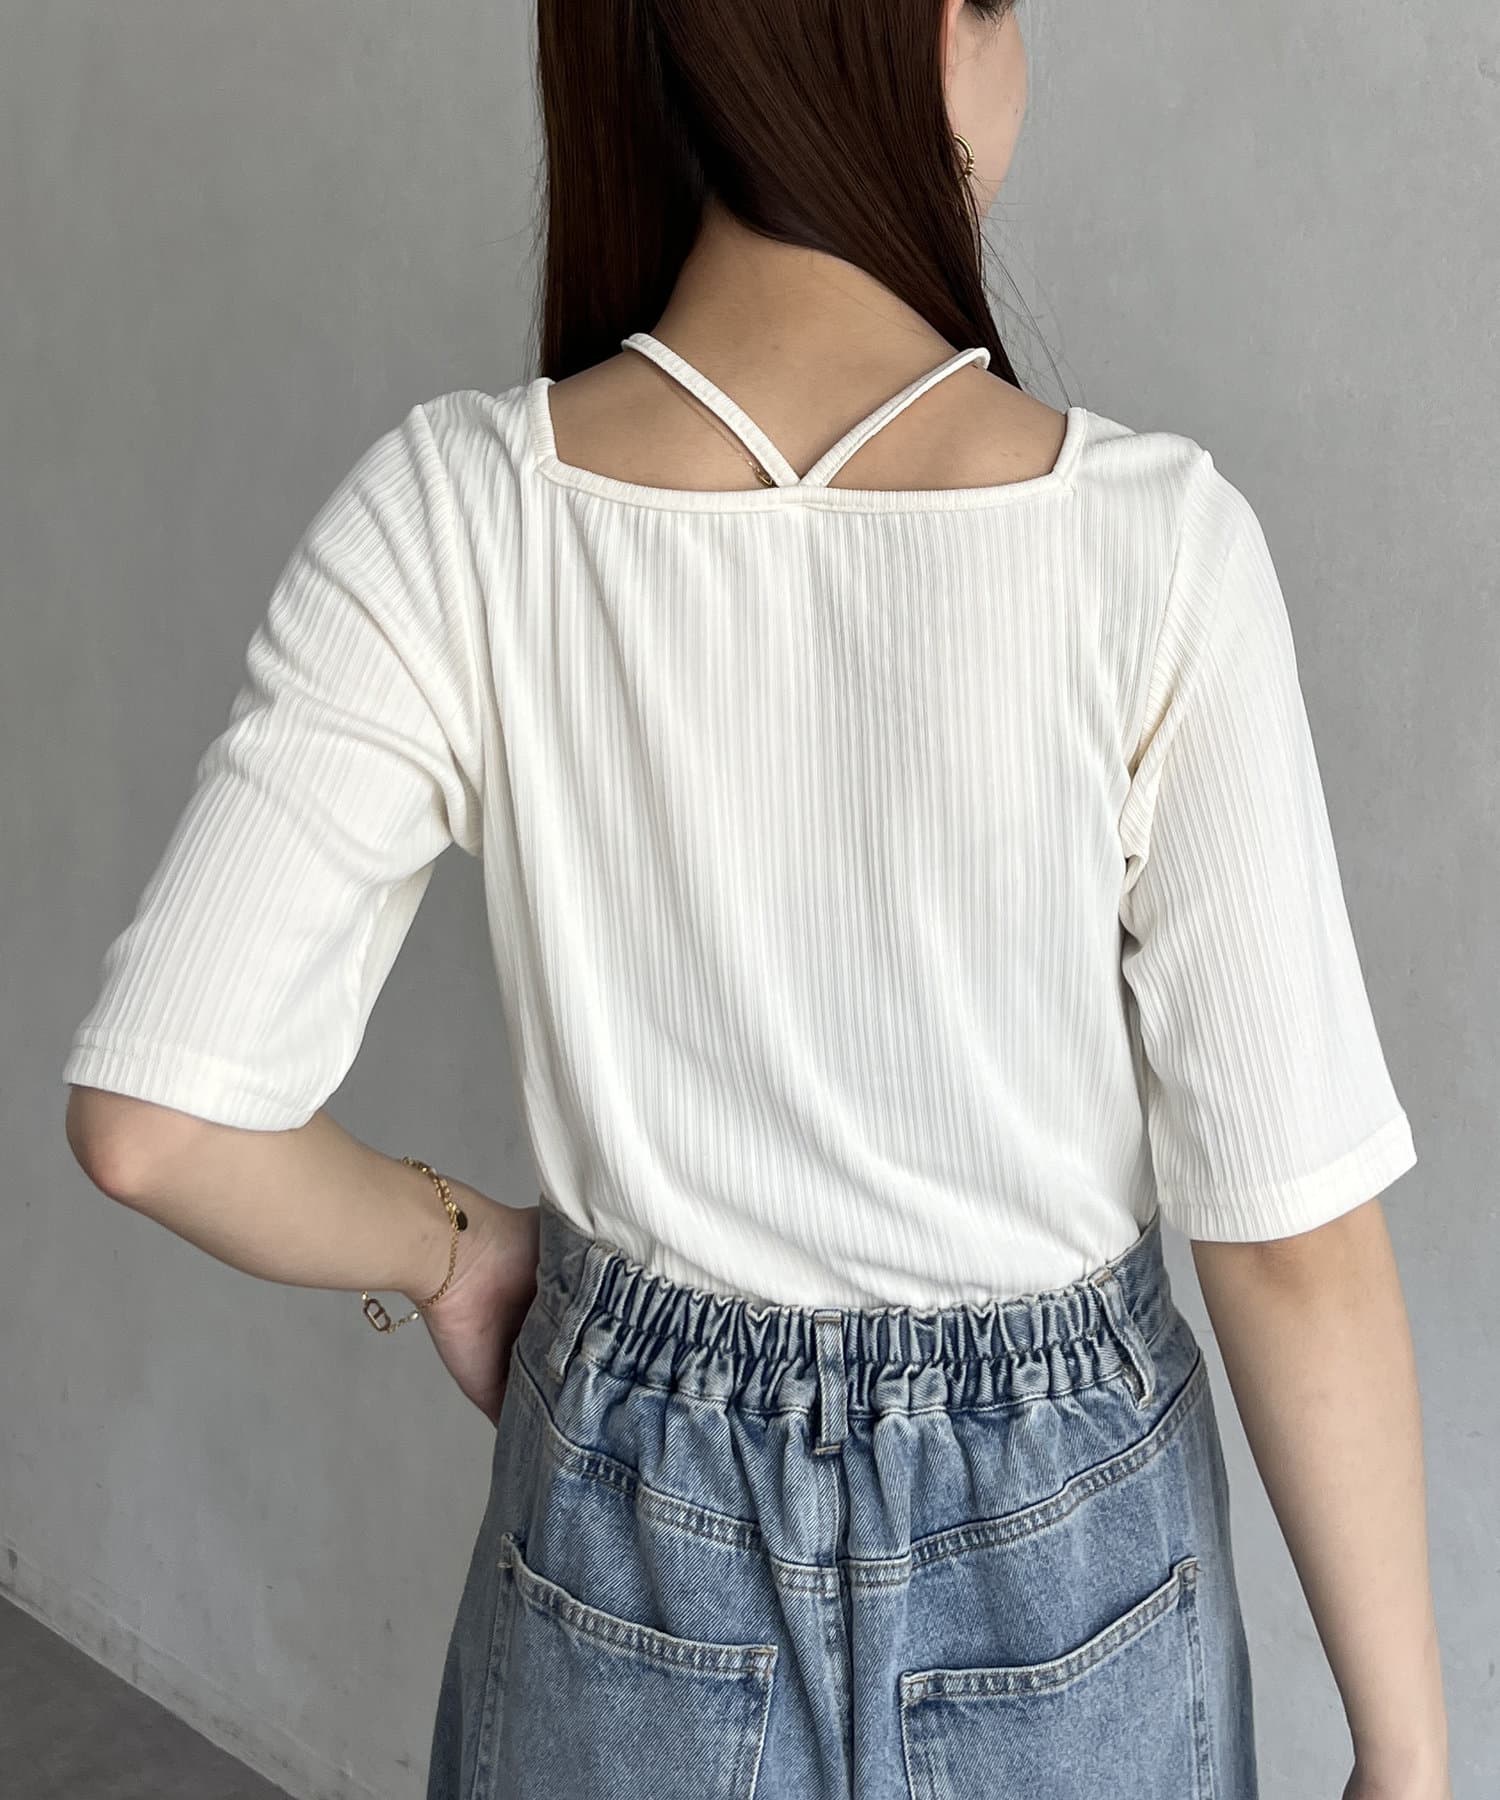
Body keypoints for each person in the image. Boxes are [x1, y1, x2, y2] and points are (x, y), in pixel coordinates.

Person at [61, 1, 1450, 1796]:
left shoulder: (457, 513)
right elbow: (1292, 1243)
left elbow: (157, 1123)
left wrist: (454, 1247)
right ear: (936, 33)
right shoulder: (1155, 544)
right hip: (1069, 1552)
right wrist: (1406, 1755)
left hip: (625, 1524)